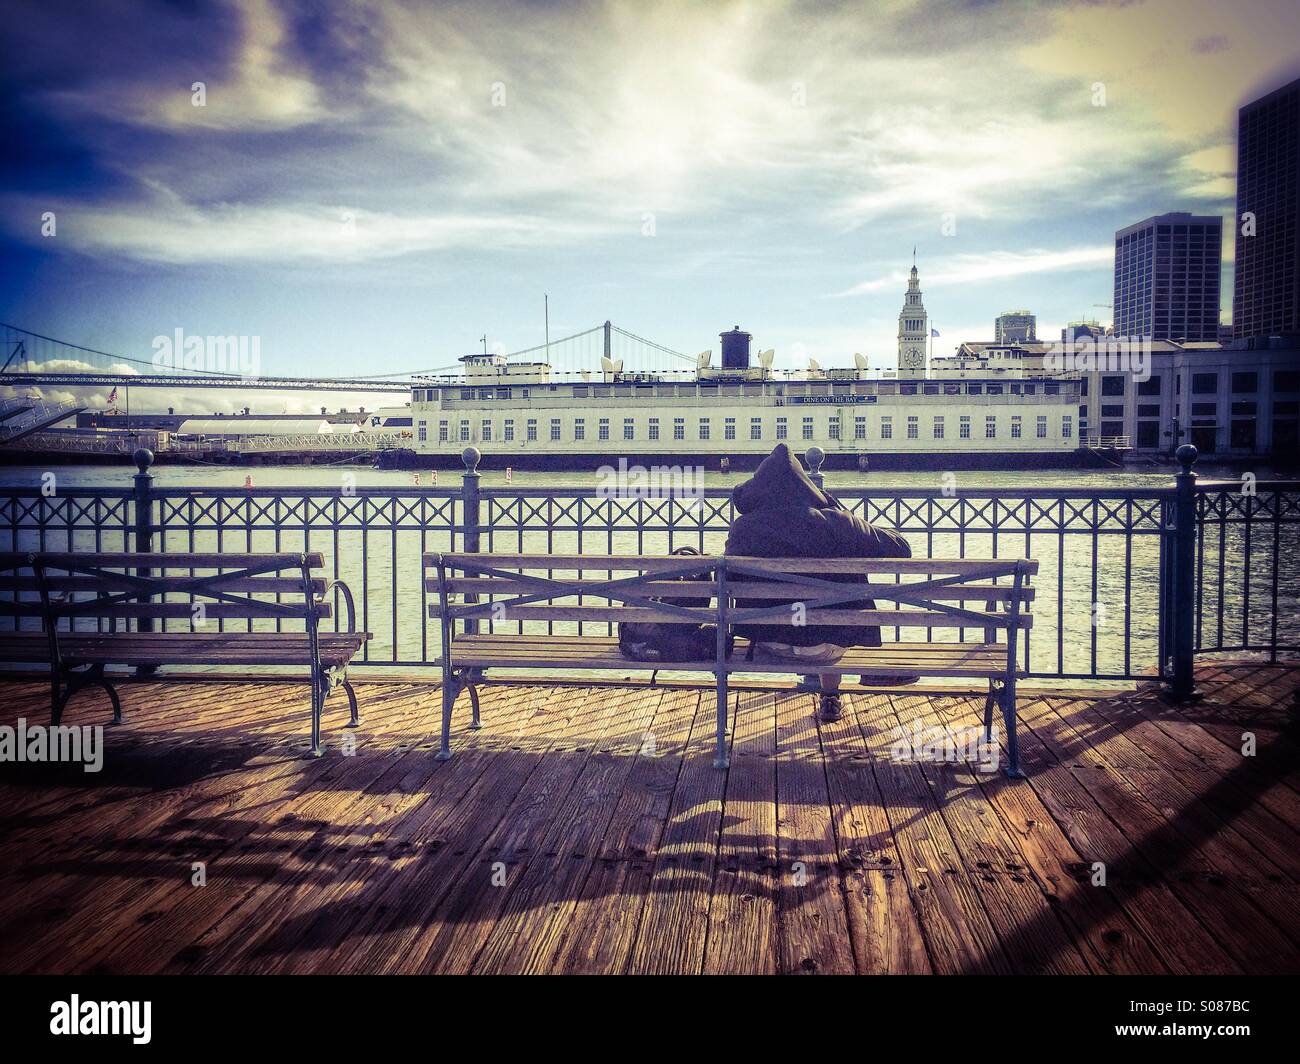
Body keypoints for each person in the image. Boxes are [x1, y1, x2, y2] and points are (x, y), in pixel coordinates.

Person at [724, 443, 914, 721]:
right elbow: (901, 547)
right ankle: (830, 697)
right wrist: (836, 508)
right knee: (832, 610)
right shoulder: (839, 523)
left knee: (816, 614)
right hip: (830, 646)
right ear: (809, 489)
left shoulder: (744, 528)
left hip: (768, 642)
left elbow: (728, 578)